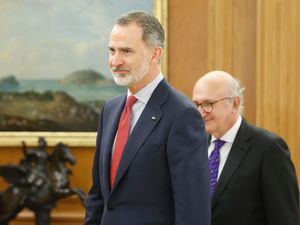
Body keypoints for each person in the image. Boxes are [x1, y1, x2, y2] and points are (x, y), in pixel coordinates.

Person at [84, 10, 210, 225]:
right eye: (112, 50)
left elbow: (193, 209)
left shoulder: (182, 115)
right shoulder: (110, 109)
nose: (115, 61)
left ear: (154, 54)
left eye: (126, 51)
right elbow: (98, 197)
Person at [192, 70, 300, 225]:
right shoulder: (194, 145)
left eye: (208, 104)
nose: (201, 112)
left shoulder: (269, 148)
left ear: (234, 104)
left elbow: (285, 218)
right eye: (196, 104)